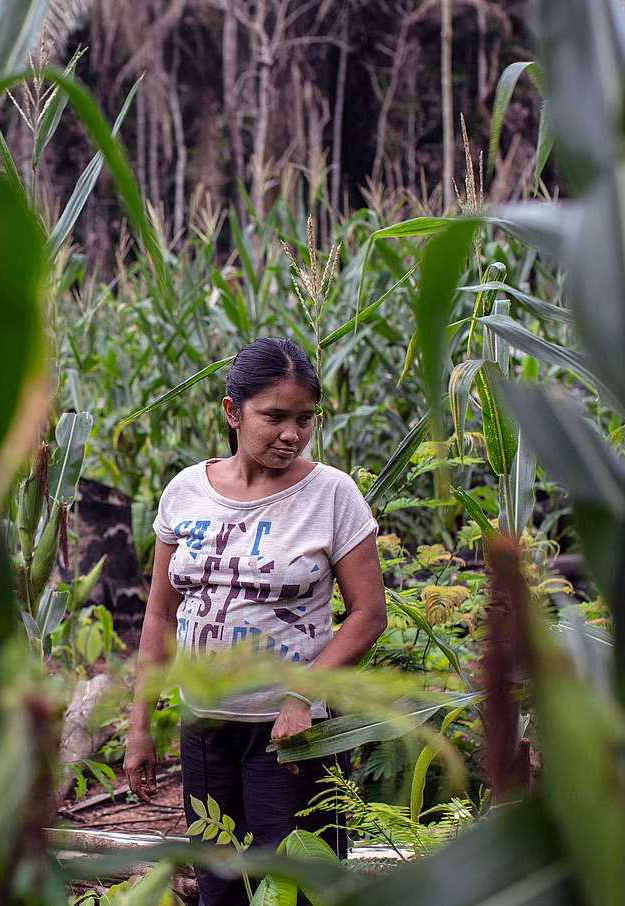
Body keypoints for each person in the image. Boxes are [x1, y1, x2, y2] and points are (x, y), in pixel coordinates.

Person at [122, 337, 388, 906]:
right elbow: (161, 613)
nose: (291, 433)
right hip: (205, 729)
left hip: (292, 736)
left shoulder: (331, 496)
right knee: (220, 887)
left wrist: (303, 695)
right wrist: (140, 723)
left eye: (304, 418)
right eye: (274, 417)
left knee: (293, 886)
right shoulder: (185, 493)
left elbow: (368, 615)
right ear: (232, 412)